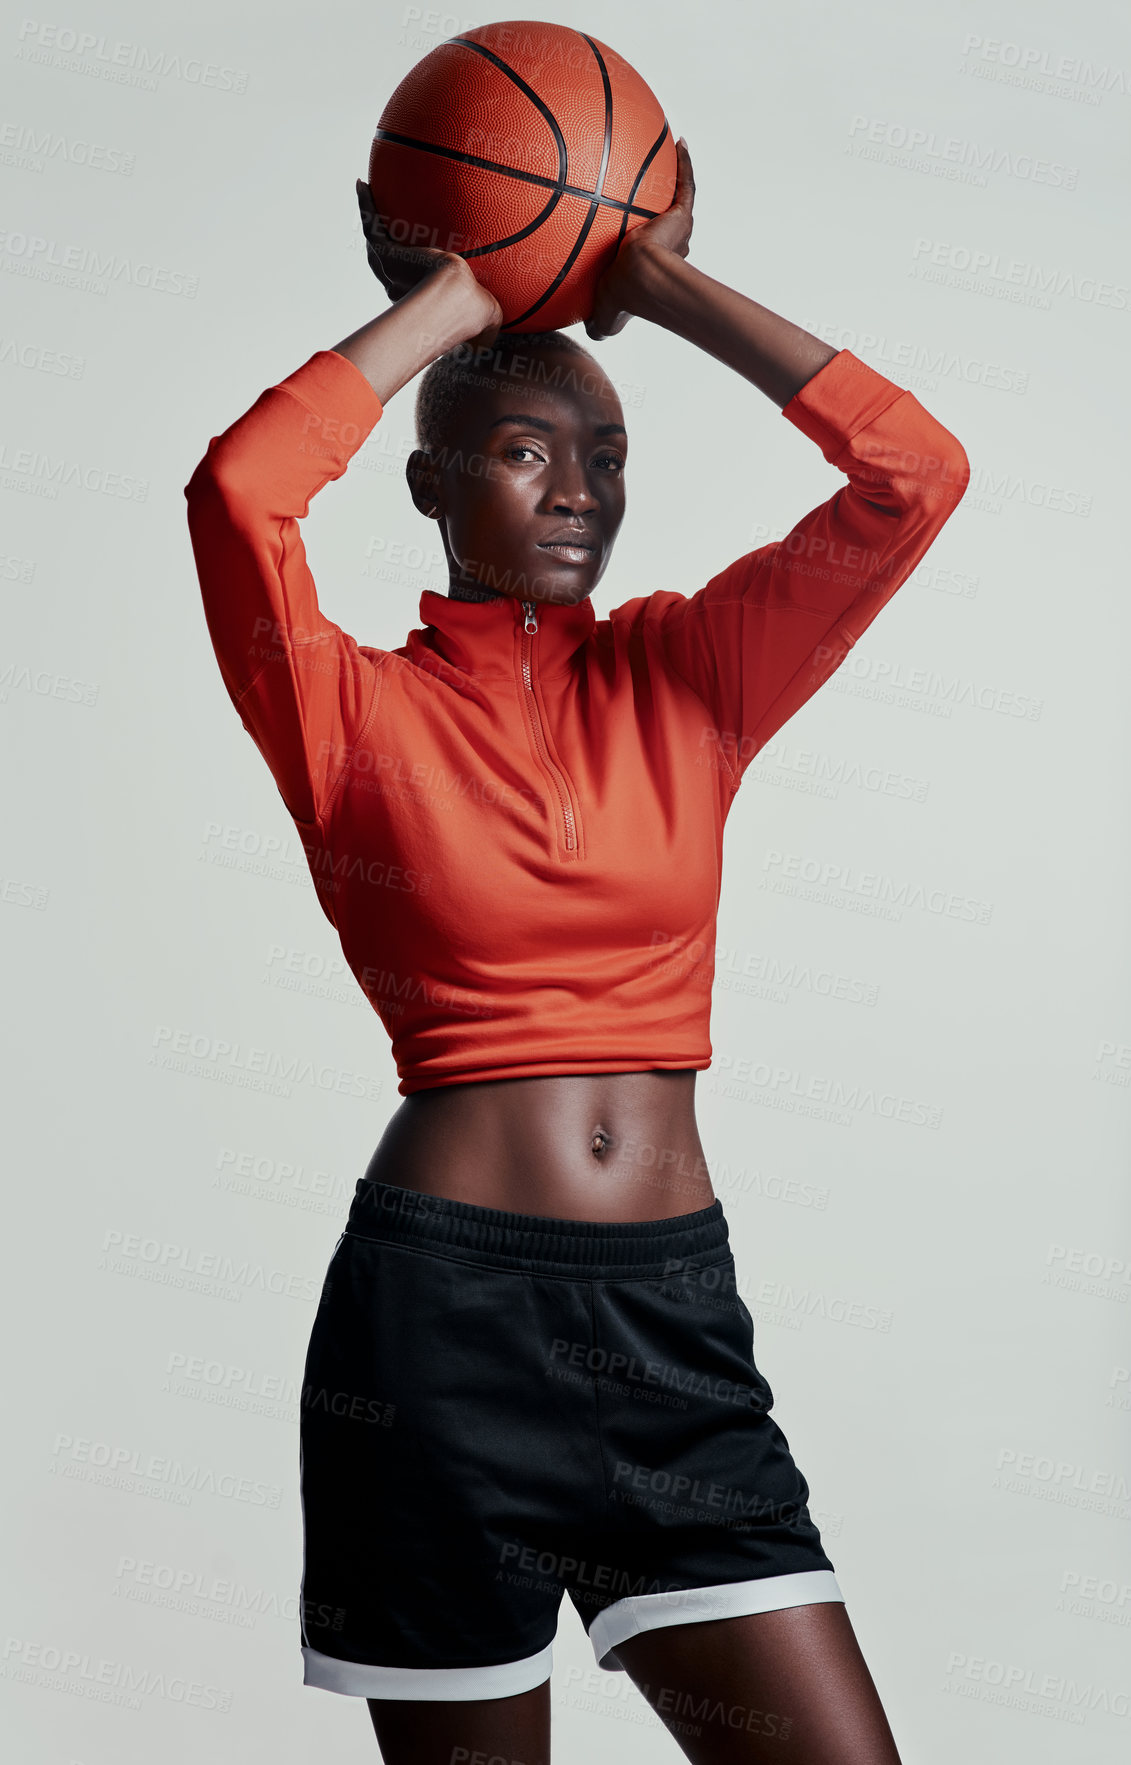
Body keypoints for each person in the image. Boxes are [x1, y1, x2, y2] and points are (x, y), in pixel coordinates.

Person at [184, 140, 968, 1764]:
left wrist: (651, 284)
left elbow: (914, 473)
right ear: (427, 480)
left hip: (670, 1322)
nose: (576, 494)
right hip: (436, 1332)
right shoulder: (349, 710)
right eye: (523, 452)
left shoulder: (691, 672)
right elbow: (241, 493)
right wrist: (464, 292)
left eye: (604, 459)